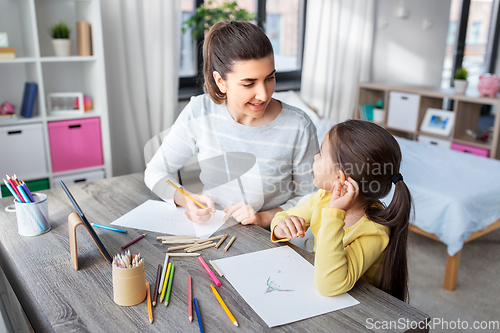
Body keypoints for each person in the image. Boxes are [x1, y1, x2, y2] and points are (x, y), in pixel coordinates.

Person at [144, 21, 318, 229]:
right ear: (220, 81)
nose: (263, 94)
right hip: (213, 233)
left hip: (270, 239)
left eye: (270, 78)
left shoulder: (298, 126)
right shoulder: (200, 111)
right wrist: (187, 199)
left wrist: (263, 217)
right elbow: (155, 172)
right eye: (249, 83)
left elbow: (311, 199)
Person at [270, 119, 412, 302]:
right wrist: (281, 226)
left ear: (340, 177)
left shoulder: (374, 232)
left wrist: (334, 214)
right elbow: (283, 216)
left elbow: (329, 286)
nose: (315, 157)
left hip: (360, 308)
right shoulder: (324, 197)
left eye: (321, 154)